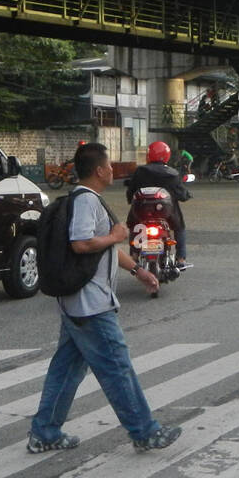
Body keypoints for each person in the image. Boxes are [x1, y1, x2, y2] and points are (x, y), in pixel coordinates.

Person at [28, 142, 183, 453]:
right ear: (99, 171)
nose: (113, 170)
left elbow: (105, 249)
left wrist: (138, 270)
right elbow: (82, 244)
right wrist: (115, 235)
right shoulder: (87, 202)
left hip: (78, 302)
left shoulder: (84, 199)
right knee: (117, 366)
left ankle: (45, 432)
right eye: (110, 165)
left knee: (68, 368)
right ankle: (145, 431)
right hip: (91, 304)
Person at [124, 140, 191, 267]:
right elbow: (181, 194)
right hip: (166, 213)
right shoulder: (172, 173)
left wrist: (130, 200)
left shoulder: (140, 171)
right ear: (167, 155)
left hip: (142, 212)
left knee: (134, 225)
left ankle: (133, 255)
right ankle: (181, 258)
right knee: (179, 227)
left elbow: (131, 191)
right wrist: (186, 195)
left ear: (149, 155)